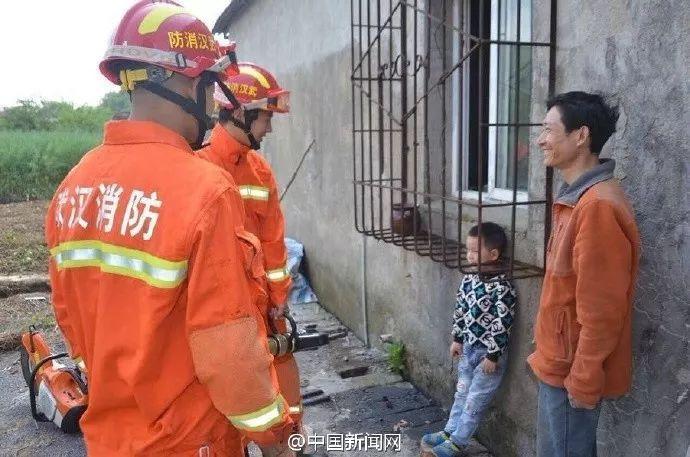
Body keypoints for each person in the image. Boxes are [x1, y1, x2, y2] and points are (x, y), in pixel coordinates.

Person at [45, 1, 293, 455]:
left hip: (110, 440)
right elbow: (229, 350)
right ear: (187, 82)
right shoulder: (203, 189)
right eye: (210, 85)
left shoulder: (72, 188)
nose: (213, 104)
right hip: (189, 439)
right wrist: (275, 438)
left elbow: (70, 318)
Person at [528, 91, 640, 457]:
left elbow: (603, 310)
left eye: (548, 129)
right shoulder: (579, 197)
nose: (540, 140)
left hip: (570, 372)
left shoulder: (597, 207)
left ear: (581, 136)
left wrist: (584, 377)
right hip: (558, 363)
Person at [199, 62, 304, 443]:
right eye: (266, 118)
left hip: (262, 307)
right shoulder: (197, 168)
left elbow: (274, 243)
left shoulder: (260, 171)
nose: (269, 128)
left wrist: (279, 298)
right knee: (232, 400)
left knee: (283, 383)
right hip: (221, 313)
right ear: (240, 112)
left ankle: (290, 441)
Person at [421, 222, 517, 457]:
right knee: (462, 393)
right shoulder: (470, 278)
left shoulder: (502, 286)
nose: (469, 255)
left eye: (475, 251)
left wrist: (493, 355)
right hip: (468, 349)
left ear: (493, 254)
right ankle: (449, 432)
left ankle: (458, 443)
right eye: (468, 250)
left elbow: (503, 322)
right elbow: (461, 309)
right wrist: (457, 338)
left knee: (475, 401)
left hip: (488, 357)